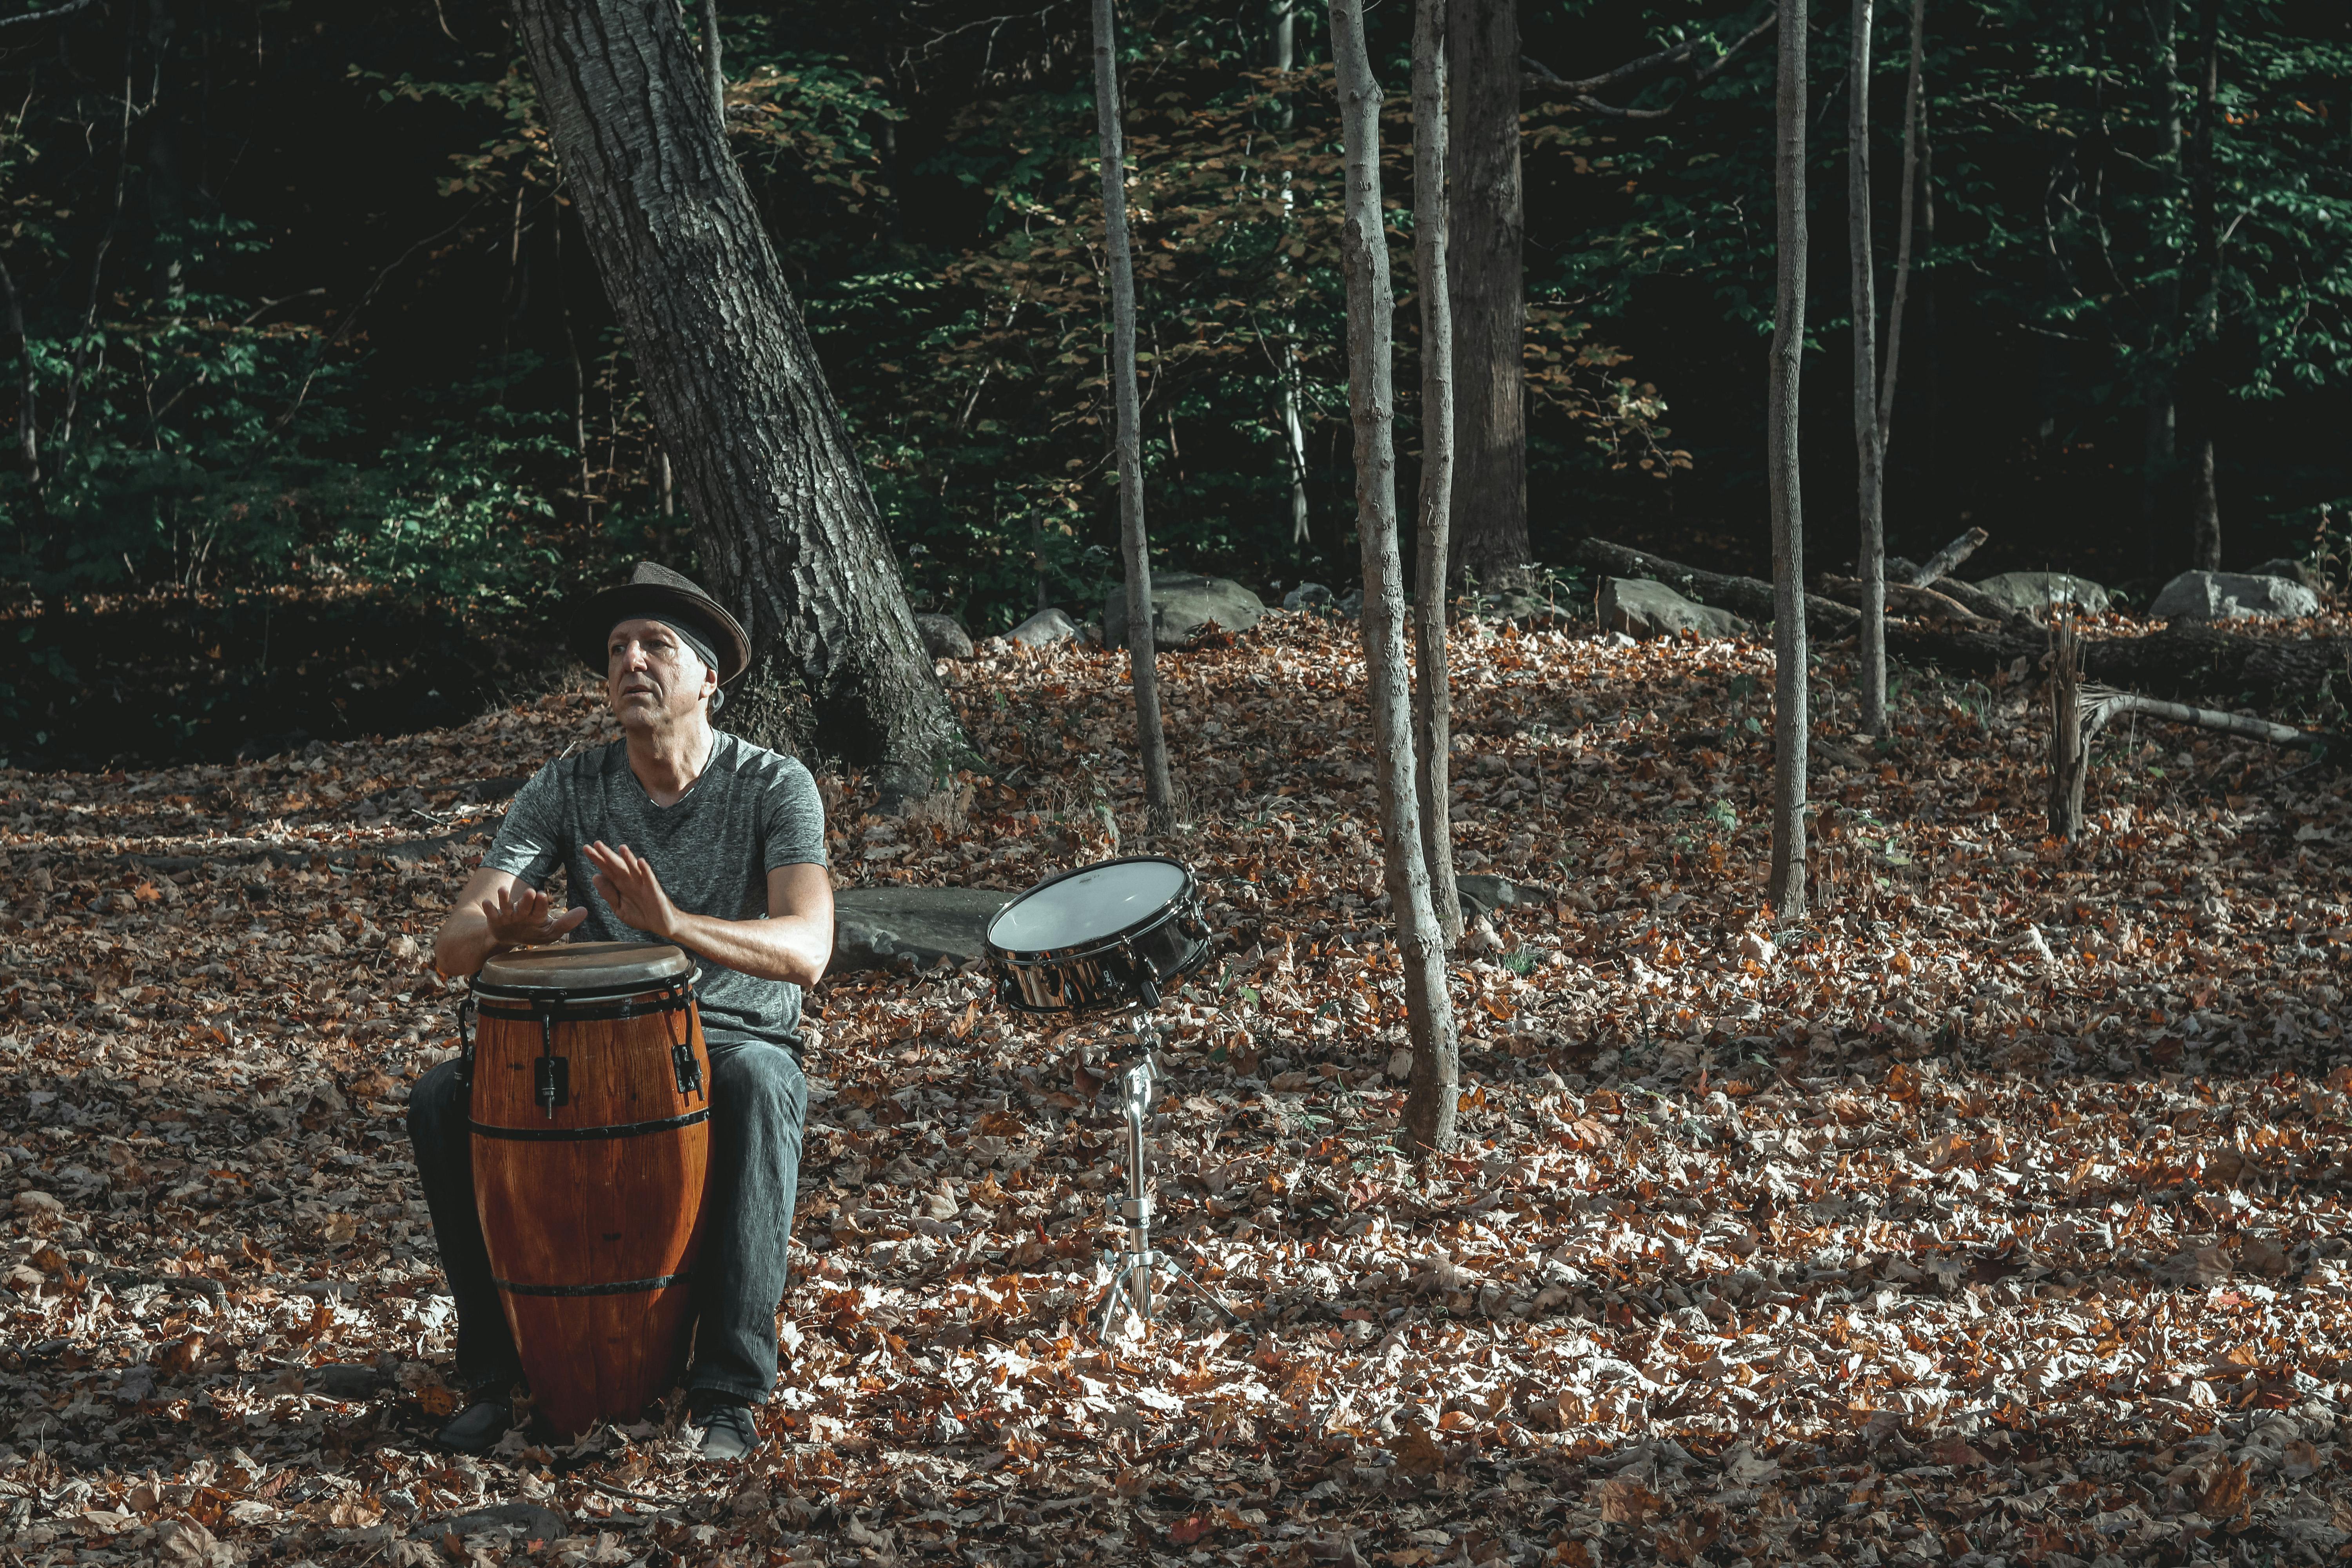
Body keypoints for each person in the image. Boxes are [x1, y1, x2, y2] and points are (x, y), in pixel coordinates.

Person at [411, 561, 832, 1461]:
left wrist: (675, 925)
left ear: (709, 677)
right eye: (616, 650)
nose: (631, 662)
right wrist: (503, 930)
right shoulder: (569, 785)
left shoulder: (773, 784)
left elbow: (808, 947)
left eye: (655, 645)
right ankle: (496, 1374)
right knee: (442, 1097)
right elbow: (449, 952)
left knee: (763, 1082)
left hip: (727, 1037)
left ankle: (729, 1390)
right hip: (596, 1044)